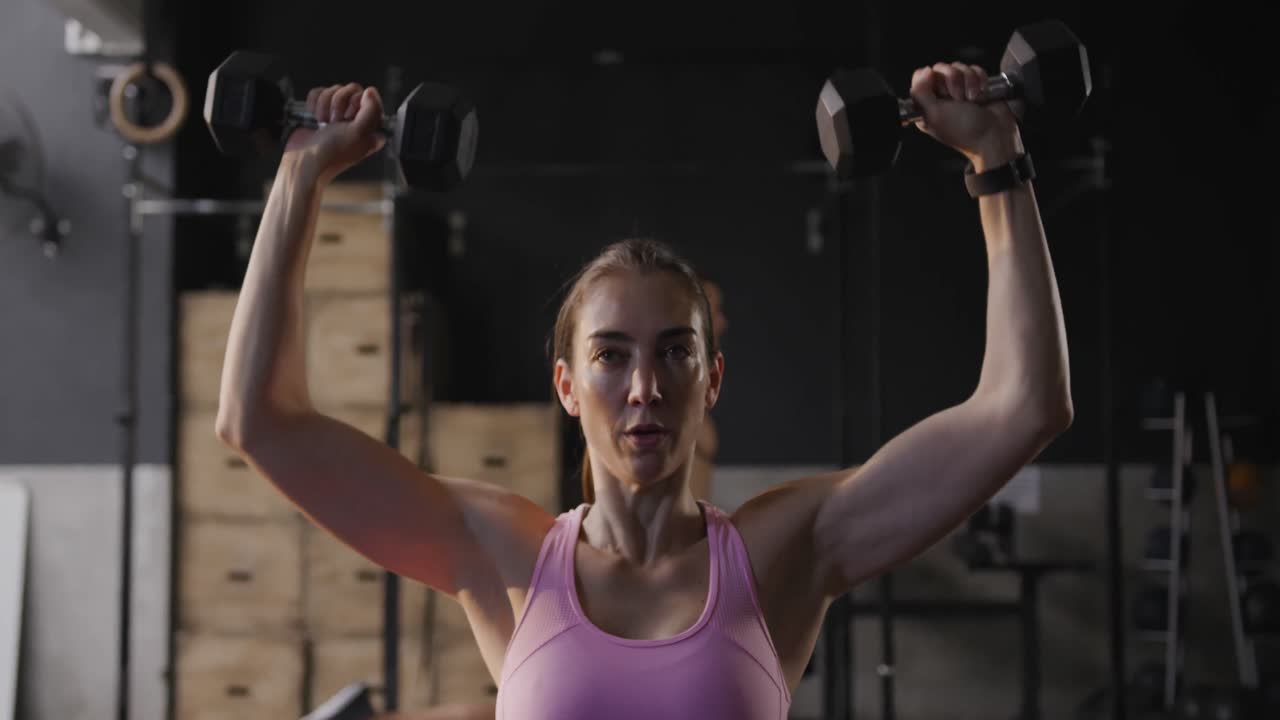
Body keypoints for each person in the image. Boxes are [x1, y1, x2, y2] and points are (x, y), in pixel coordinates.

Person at [216, 60, 1072, 720]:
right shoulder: (502, 552)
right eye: (611, 356)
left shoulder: (785, 553)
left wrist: (998, 161)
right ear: (566, 385)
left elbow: (1024, 405)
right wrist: (300, 176)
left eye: (674, 354)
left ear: (713, 378)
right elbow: (261, 420)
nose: (644, 388)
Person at [688, 277, 726, 502]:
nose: (722, 322)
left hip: (696, 529)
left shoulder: (701, 371)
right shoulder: (675, 378)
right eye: (715, 312)